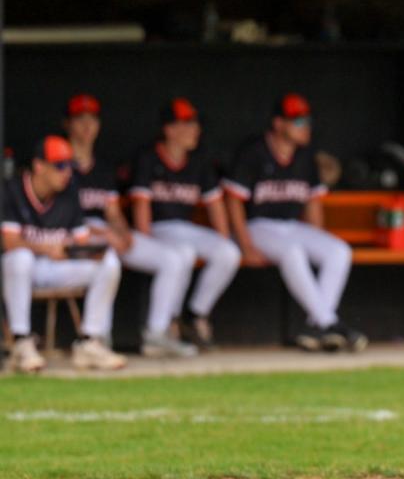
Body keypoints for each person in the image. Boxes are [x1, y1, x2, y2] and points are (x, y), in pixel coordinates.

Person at [223, 93, 366, 352]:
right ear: (279, 124)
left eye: (307, 121)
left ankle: (317, 327)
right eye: (298, 122)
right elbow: (234, 202)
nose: (305, 127)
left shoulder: (306, 156)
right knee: (292, 252)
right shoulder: (254, 151)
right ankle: (330, 324)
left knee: (338, 251)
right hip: (257, 226)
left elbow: (312, 204)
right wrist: (245, 245)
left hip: (290, 226)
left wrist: (317, 240)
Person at [64, 94, 198, 358]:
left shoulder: (101, 168)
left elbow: (112, 211)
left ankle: (157, 333)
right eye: (80, 119)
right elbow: (58, 216)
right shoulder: (58, 165)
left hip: (104, 231)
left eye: (92, 119)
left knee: (172, 258)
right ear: (67, 124)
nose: (87, 126)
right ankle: (100, 337)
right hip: (72, 234)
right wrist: (106, 235)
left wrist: (122, 232)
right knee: (108, 258)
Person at [2, 136, 126, 372]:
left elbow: (80, 240)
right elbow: (9, 241)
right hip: (21, 269)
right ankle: (21, 342)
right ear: (39, 166)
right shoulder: (12, 189)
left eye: (70, 166)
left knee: (109, 262)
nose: (66, 172)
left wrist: (81, 251)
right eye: (60, 166)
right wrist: (46, 248)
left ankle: (89, 342)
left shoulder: (70, 192)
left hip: (57, 266)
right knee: (19, 258)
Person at [130, 98, 241, 350]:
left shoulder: (199, 160)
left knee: (229, 252)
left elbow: (215, 205)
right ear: (169, 129)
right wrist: (147, 245)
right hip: (158, 230)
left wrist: (223, 238)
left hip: (184, 229)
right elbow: (141, 206)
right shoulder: (149, 158)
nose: (194, 130)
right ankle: (168, 323)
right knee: (183, 254)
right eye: (186, 124)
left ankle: (193, 313)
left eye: (195, 124)